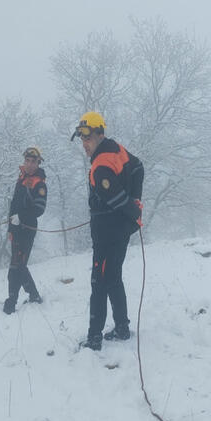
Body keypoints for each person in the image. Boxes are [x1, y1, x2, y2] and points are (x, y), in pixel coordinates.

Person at [71, 111, 143, 351]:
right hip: (119, 230)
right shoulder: (116, 150)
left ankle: (94, 339)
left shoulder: (101, 166)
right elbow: (138, 167)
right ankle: (122, 328)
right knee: (113, 278)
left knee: (99, 283)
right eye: (82, 139)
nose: (84, 143)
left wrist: (133, 210)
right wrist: (136, 202)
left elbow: (114, 197)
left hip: (108, 234)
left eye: (88, 137)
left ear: (100, 134)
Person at [3, 147, 47, 314]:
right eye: (27, 161)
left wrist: (21, 217)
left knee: (16, 267)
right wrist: (10, 228)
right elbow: (14, 204)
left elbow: (39, 208)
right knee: (18, 266)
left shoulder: (39, 183)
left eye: (33, 161)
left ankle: (11, 303)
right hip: (16, 228)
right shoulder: (21, 178)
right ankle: (34, 295)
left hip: (28, 228)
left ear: (38, 163)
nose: (29, 164)